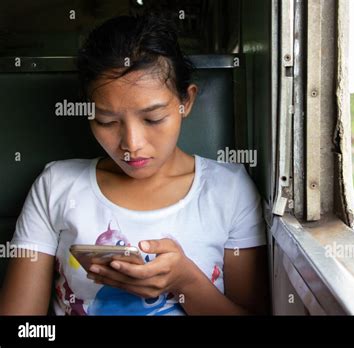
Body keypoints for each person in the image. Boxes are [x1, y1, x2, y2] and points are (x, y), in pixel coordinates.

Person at [0, 13, 269, 315]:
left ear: (186, 101)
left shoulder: (228, 190)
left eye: (153, 118)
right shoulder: (56, 185)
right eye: (107, 121)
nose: (132, 144)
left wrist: (185, 281)